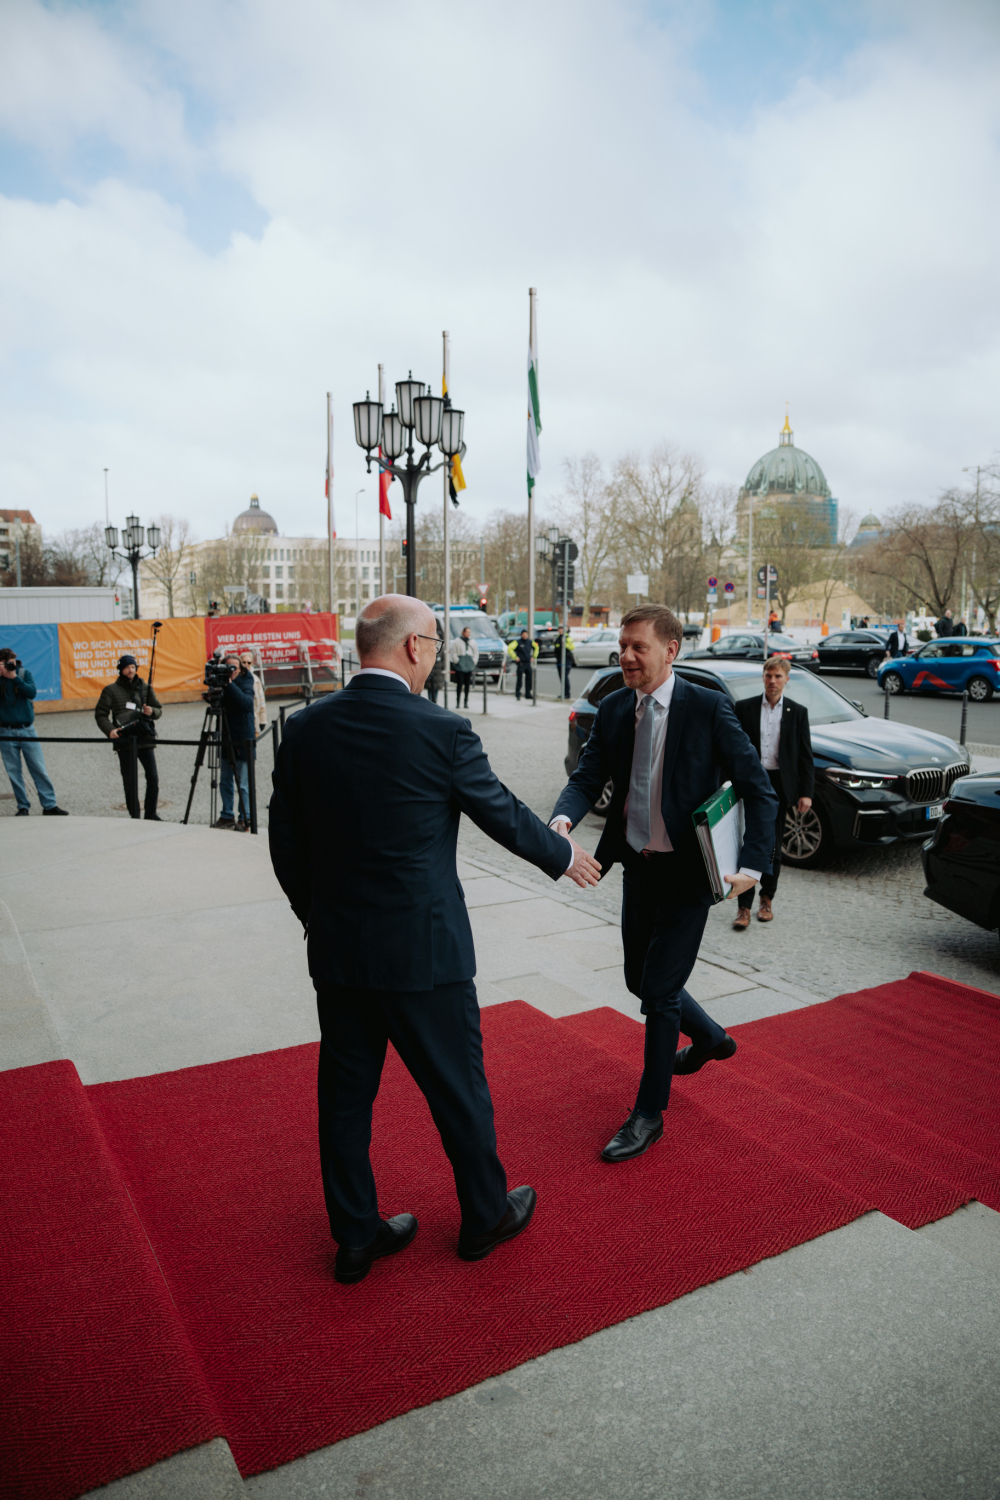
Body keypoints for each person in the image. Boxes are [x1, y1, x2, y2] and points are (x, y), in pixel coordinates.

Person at [269, 595, 600, 1284]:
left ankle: (356, 1235)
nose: (442, 653)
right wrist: (564, 856)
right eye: (438, 641)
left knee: (345, 1100)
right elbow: (501, 813)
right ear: (414, 647)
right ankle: (484, 1216)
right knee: (457, 1091)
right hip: (425, 954)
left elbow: (285, 842)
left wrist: (316, 914)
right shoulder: (440, 731)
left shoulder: (303, 730)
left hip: (339, 954)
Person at [548, 603, 777, 1164]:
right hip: (637, 864)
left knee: (659, 993)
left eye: (637, 647)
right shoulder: (613, 709)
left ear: (670, 650)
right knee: (636, 978)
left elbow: (758, 790)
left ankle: (649, 1114)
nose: (625, 655)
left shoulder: (707, 709)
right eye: (622, 646)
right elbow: (588, 775)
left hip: (690, 874)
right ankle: (712, 1039)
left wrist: (752, 866)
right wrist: (562, 820)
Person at [731, 658, 814, 929]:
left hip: (779, 784)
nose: (773, 681)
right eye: (768, 675)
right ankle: (743, 907)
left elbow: (805, 756)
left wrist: (806, 792)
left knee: (774, 845)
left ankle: (767, 898)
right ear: (763, 677)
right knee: (747, 844)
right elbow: (731, 749)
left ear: (787, 679)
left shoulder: (797, 712)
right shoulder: (745, 708)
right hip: (751, 781)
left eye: (778, 676)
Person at [0, 648, 68, 817]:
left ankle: (49, 805)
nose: (10, 665)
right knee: (13, 772)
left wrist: (15, 678)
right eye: (6, 663)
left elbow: (32, 693)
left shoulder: (23, 674)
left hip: (27, 730)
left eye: (12, 662)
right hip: (5, 731)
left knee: (38, 768)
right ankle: (23, 806)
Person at [95, 654, 162, 820]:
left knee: (152, 777)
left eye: (133, 667)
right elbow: (100, 714)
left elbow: (158, 709)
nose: (130, 670)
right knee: (130, 780)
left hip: (145, 737)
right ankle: (135, 815)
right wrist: (110, 730)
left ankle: (151, 813)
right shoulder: (110, 690)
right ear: (121, 670)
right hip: (124, 741)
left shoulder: (145, 688)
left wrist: (152, 711)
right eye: (127, 667)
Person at [216, 653, 255, 830]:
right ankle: (226, 815)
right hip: (225, 736)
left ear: (240, 669)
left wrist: (229, 684)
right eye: (227, 667)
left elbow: (246, 704)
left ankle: (244, 818)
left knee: (243, 784)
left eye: (234, 668)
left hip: (242, 739)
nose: (231, 671)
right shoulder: (220, 680)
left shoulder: (247, 680)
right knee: (225, 781)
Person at [450, 625, 479, 708]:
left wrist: (473, 661)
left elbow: (476, 652)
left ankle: (466, 702)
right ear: (463, 632)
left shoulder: (473, 642)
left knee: (467, 685)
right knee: (459, 684)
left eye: (470, 632)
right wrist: (457, 661)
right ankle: (458, 702)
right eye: (467, 632)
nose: (469, 633)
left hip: (469, 666)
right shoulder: (457, 641)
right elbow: (453, 652)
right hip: (460, 666)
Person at [240, 651, 268, 734]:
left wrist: (263, 720)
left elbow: (261, 700)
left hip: (254, 717)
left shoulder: (256, 679)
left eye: (249, 662)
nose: (246, 664)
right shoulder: (237, 677)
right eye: (244, 662)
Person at [508, 629, 537, 701]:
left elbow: (537, 648)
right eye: (523, 634)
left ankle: (528, 694)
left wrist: (534, 656)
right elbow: (509, 648)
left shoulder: (530, 642)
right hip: (521, 663)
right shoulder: (517, 642)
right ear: (521, 635)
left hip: (528, 663)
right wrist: (515, 657)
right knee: (519, 680)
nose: (524, 635)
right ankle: (518, 694)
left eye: (526, 634)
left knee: (529, 679)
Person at [424, 619, 445, 703]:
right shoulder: (428, 648)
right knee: (430, 689)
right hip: (431, 672)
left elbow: (443, 660)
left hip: (438, 673)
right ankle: (430, 702)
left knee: (436, 690)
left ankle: (434, 702)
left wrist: (442, 667)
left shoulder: (441, 649)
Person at [555, 628, 575, 694]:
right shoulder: (557, 638)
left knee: (565, 677)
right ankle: (563, 693)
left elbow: (572, 647)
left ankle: (567, 693)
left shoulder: (567, 638)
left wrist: (565, 644)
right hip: (559, 660)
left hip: (567, 660)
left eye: (562, 629)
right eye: (559, 630)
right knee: (561, 678)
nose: (560, 631)